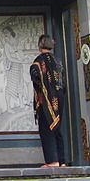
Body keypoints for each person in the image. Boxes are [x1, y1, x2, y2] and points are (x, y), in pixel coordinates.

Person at [30, 34, 66, 168]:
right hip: (59, 97)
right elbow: (62, 81)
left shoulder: (38, 61)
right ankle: (61, 160)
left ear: (40, 44)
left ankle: (52, 161)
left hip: (45, 99)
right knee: (57, 128)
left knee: (46, 128)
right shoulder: (57, 60)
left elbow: (35, 77)